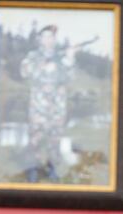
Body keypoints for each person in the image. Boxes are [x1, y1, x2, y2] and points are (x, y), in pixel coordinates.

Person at [19, 25, 76, 182]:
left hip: (58, 104)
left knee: (55, 136)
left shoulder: (61, 58)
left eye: (51, 37)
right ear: (39, 39)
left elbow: (70, 78)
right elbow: (24, 72)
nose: (48, 39)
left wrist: (70, 59)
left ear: (54, 39)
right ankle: (32, 169)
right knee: (35, 136)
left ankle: (52, 168)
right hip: (39, 104)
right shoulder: (33, 56)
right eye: (44, 36)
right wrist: (43, 66)